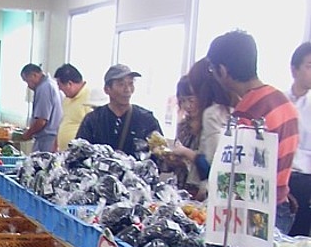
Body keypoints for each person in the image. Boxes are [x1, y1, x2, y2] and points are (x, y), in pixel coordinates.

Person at [207, 30, 300, 234]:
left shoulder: (247, 114)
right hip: (282, 206)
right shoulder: (283, 102)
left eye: (213, 69)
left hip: (256, 215)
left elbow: (237, 181)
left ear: (222, 70)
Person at [170, 58, 233, 200]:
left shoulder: (212, 119)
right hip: (183, 188)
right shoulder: (184, 126)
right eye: (182, 101)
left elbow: (211, 165)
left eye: (191, 100)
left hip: (203, 192)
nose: (187, 106)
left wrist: (186, 153)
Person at [75, 64, 162, 157]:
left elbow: (159, 153)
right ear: (107, 89)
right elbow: (78, 153)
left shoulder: (146, 120)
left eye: (131, 83)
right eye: (121, 84)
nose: (127, 89)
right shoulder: (93, 120)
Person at [287, 42, 311, 236]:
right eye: (309, 66)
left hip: (305, 180)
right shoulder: (279, 101)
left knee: (298, 238)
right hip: (280, 177)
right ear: (294, 70)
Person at [18, 63, 63, 152]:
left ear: (34, 75)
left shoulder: (44, 88)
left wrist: (28, 134)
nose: (28, 86)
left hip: (46, 140)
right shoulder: (52, 83)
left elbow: (41, 121)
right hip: (53, 137)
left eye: (27, 81)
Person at [54, 63, 90, 150]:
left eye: (60, 85)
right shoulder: (66, 99)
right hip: (63, 151)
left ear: (69, 84)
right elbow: (64, 122)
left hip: (80, 152)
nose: (59, 89)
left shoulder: (90, 98)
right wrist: (55, 144)